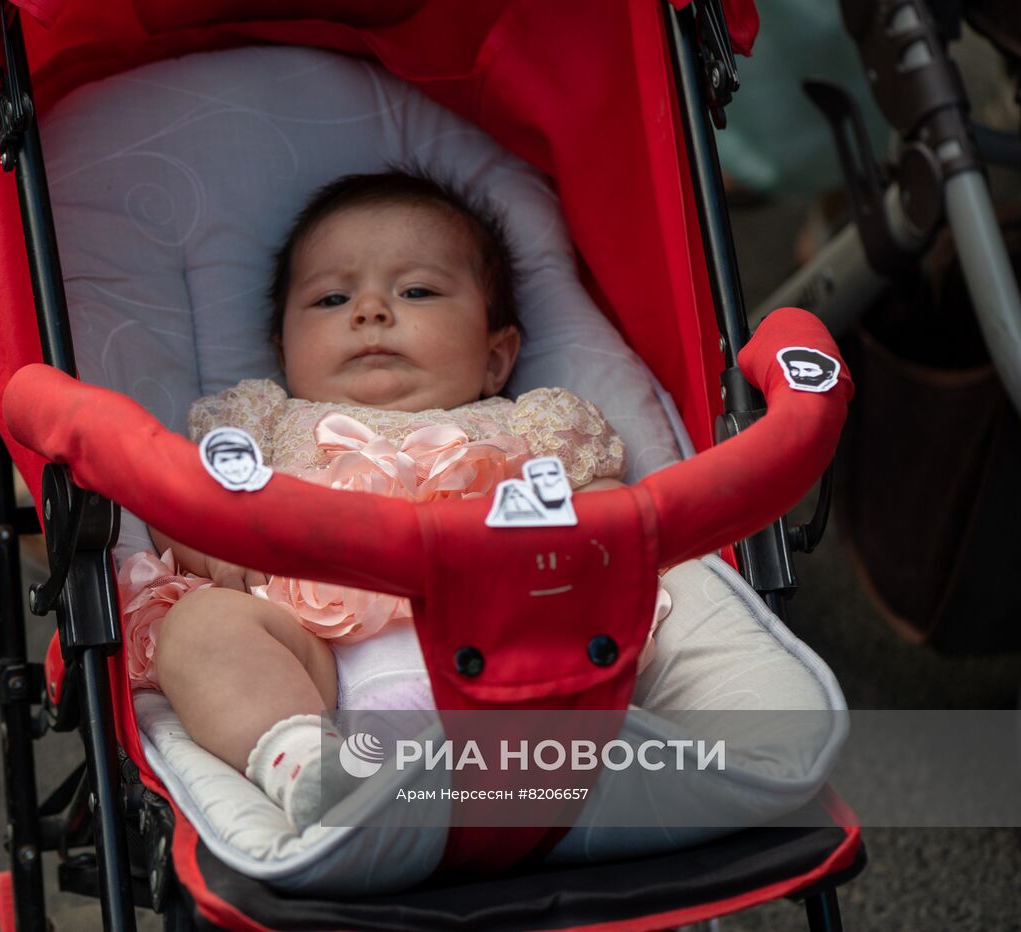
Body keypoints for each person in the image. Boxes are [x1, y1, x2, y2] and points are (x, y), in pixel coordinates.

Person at [117, 170, 665, 828]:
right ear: (283, 351)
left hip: (502, 655)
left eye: (417, 290)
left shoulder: (525, 427)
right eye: (329, 300)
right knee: (200, 630)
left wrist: (584, 536)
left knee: (599, 581)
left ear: (497, 358)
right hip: (311, 664)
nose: (370, 311)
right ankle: (301, 762)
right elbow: (176, 498)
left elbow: (606, 504)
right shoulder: (262, 423)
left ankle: (577, 740)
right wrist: (210, 544)